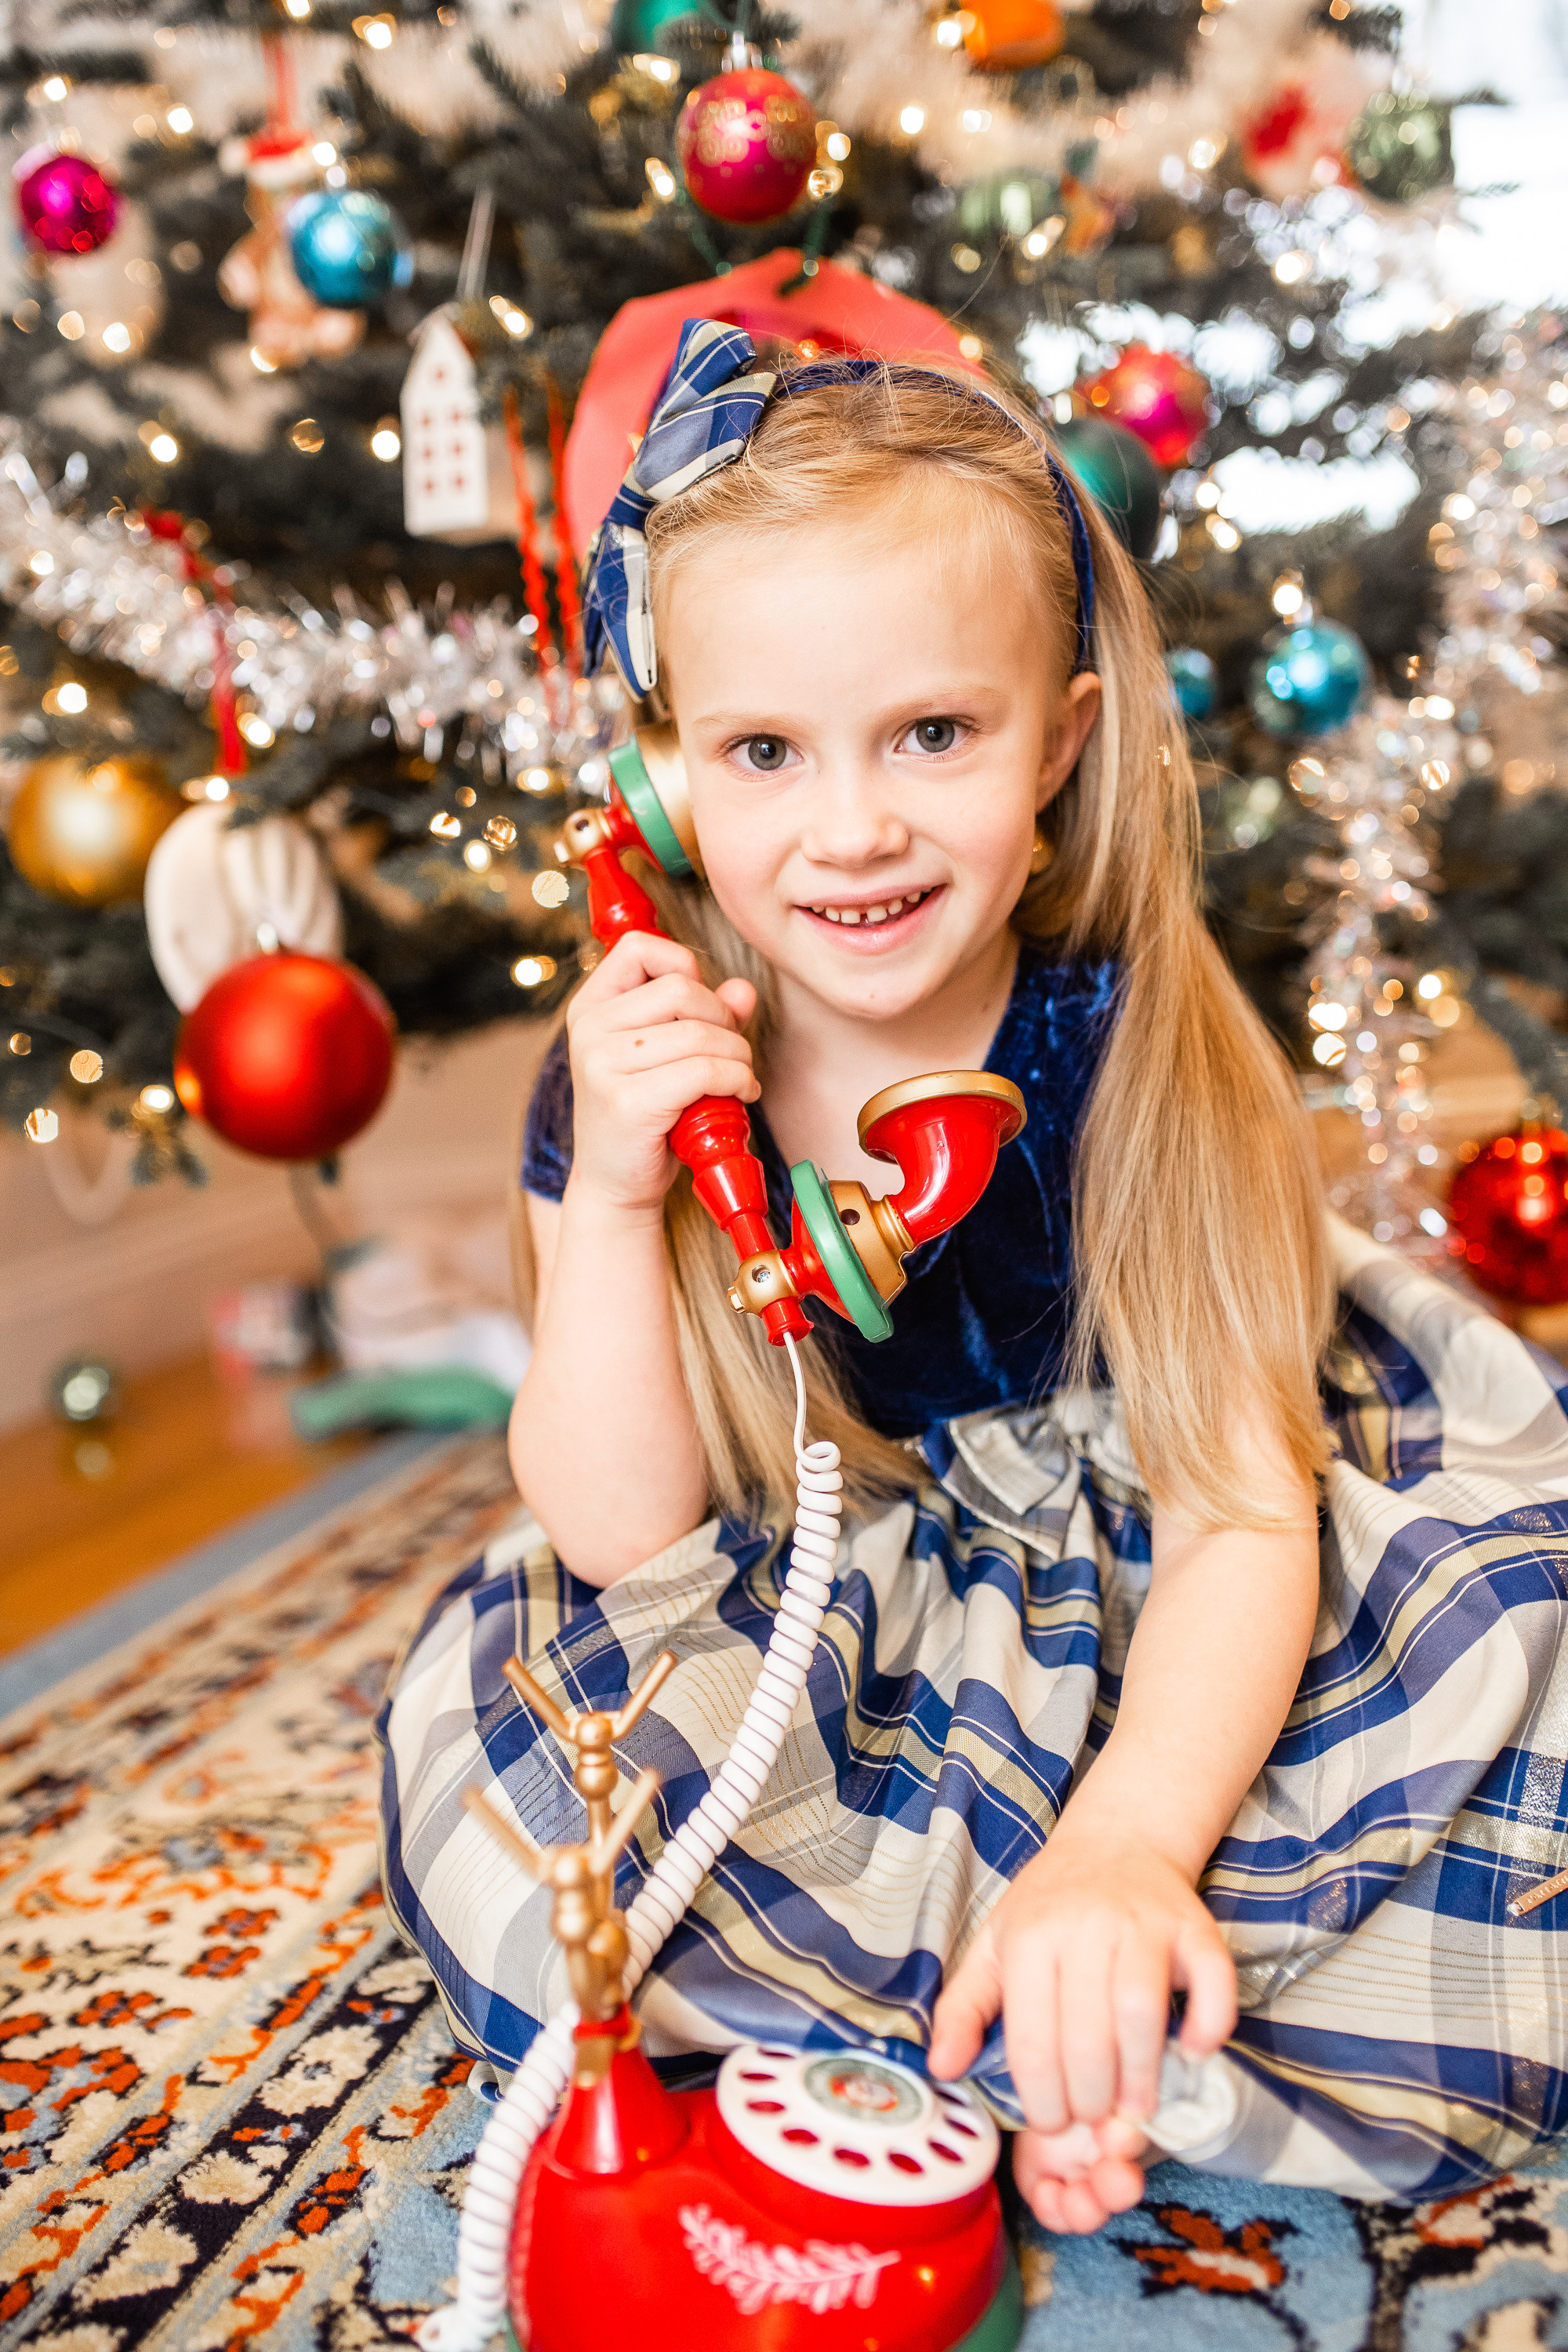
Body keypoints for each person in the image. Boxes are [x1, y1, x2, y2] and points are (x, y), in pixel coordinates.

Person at [380, 323, 1566, 2234]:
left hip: (1166, 1539)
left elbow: (1241, 1515)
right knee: (532, 1824)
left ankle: (1087, 2016)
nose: (850, 828)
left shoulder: (1136, 1055)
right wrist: (610, 1199)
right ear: (669, 787)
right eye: (764, 752)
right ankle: (1033, 2049)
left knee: (1465, 1736)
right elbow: (618, 1530)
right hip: (800, 1571)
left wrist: (1121, 1845)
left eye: (934, 733)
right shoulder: (634, 1076)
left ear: (1059, 749)